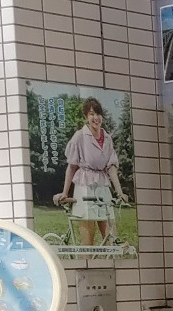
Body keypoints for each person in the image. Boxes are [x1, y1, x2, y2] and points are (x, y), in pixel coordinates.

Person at [54, 97, 129, 249]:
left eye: (98, 114)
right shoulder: (79, 136)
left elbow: (111, 167)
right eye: (91, 114)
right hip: (85, 184)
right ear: (86, 117)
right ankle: (88, 257)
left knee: (110, 230)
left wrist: (120, 192)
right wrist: (65, 192)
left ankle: (111, 255)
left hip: (102, 184)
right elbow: (72, 166)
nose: (96, 118)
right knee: (88, 235)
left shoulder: (107, 138)